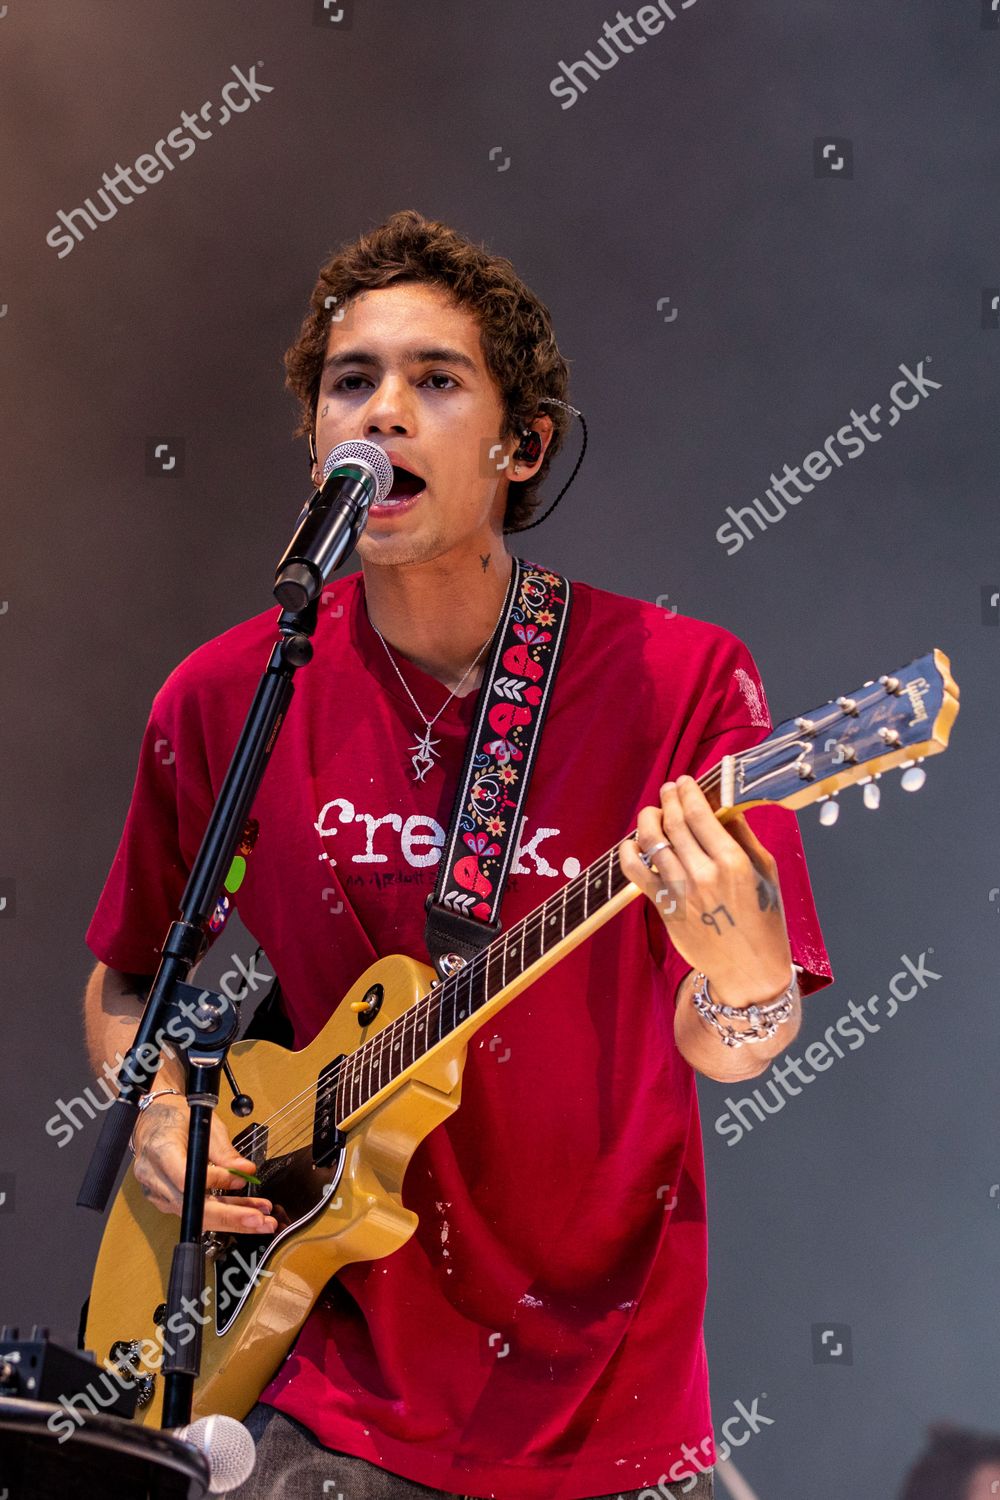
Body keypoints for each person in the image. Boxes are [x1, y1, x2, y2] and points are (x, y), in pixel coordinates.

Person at [83, 210, 832, 1500]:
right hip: (327, 1371)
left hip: (613, 1386)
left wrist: (742, 962)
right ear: (316, 439)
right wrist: (156, 1113)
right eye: (349, 382)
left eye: (435, 380)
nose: (381, 413)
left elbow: (734, 1041)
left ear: (518, 444)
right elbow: (128, 981)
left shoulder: (679, 680)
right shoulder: (228, 693)